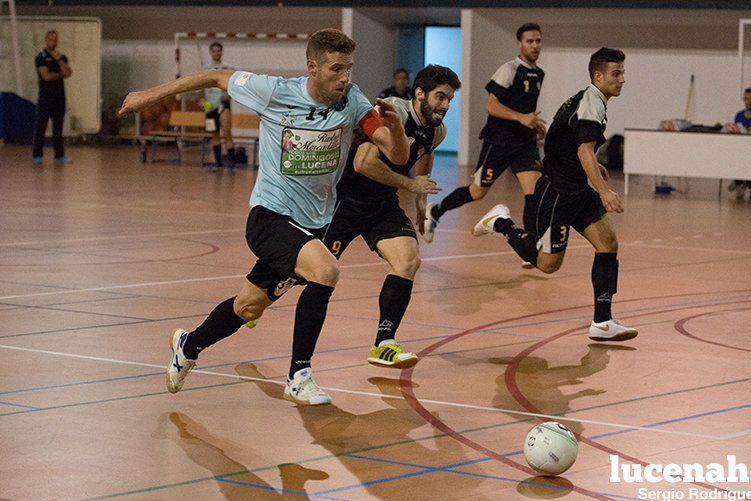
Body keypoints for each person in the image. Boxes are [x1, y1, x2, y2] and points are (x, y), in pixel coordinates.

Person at [119, 28, 409, 406]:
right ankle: (299, 374)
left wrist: (397, 129)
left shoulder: (352, 102)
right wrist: (147, 96)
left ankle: (188, 345)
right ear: (313, 67)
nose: (345, 78)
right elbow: (213, 77)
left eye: (349, 69)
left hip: (313, 224)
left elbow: (397, 154)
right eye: (337, 69)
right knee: (325, 270)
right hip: (270, 217)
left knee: (247, 307)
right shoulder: (273, 91)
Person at [472, 47, 638, 342]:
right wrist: (604, 191)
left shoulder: (588, 98)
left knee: (608, 243)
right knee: (547, 265)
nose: (622, 79)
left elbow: (568, 139)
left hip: (576, 188)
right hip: (559, 193)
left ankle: (602, 322)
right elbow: (583, 147)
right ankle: (501, 223)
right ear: (598, 76)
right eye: (616, 73)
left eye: (622, 73)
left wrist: (591, 167)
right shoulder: (590, 103)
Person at [324, 64, 460, 368]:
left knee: (408, 260)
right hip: (343, 201)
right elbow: (363, 163)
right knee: (306, 274)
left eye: (450, 99)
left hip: (382, 203)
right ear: (420, 94)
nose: (446, 105)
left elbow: (426, 153)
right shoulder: (391, 114)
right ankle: (260, 296)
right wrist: (410, 184)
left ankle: (383, 343)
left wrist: (421, 201)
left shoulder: (437, 130)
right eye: (440, 97)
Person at [423, 23, 546, 244]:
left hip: (524, 142)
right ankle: (436, 211)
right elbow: (491, 106)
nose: (535, 45)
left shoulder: (538, 73)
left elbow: (524, 109)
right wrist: (521, 117)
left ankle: (530, 244)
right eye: (530, 41)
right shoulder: (509, 70)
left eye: (538, 41)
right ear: (519, 44)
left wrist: (533, 124)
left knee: (534, 192)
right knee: (478, 192)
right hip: (499, 141)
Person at [32, 30, 72, 165]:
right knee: (41, 127)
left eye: (55, 40)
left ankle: (59, 155)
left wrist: (59, 60)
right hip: (45, 98)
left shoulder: (61, 57)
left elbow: (68, 72)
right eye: (50, 39)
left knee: (58, 128)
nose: (52, 42)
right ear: (46, 40)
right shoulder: (40, 57)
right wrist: (59, 74)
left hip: (59, 98)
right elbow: (46, 76)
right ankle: (37, 154)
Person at [203, 42, 237, 171]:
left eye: (219, 51)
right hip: (209, 106)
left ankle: (232, 164)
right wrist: (201, 99)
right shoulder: (206, 69)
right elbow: (201, 88)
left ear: (222, 52)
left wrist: (228, 93)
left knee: (227, 133)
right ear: (210, 52)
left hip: (223, 105)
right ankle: (218, 163)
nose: (216, 53)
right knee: (214, 135)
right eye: (214, 51)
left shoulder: (228, 68)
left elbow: (234, 86)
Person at [728, 87, 751, 198]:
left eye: (750, 99)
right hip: (741, 148)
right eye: (746, 99)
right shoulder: (739, 115)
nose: (748, 102)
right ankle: (739, 181)